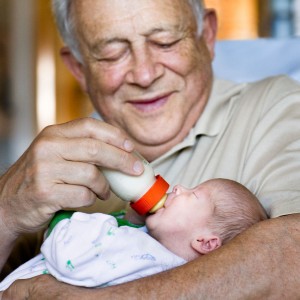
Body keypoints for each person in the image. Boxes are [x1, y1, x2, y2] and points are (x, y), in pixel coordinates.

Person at [0, 0, 299, 298]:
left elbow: (291, 254)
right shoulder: (62, 161)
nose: (144, 75)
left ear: (207, 36)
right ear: (79, 69)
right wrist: (6, 210)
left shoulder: (279, 109)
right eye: (111, 52)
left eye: (165, 42)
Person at [0, 179, 267, 291]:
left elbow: (70, 254)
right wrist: (132, 218)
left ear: (205, 242)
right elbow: (111, 244)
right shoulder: (152, 253)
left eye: (194, 194)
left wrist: (62, 215)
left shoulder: (148, 257)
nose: (180, 187)